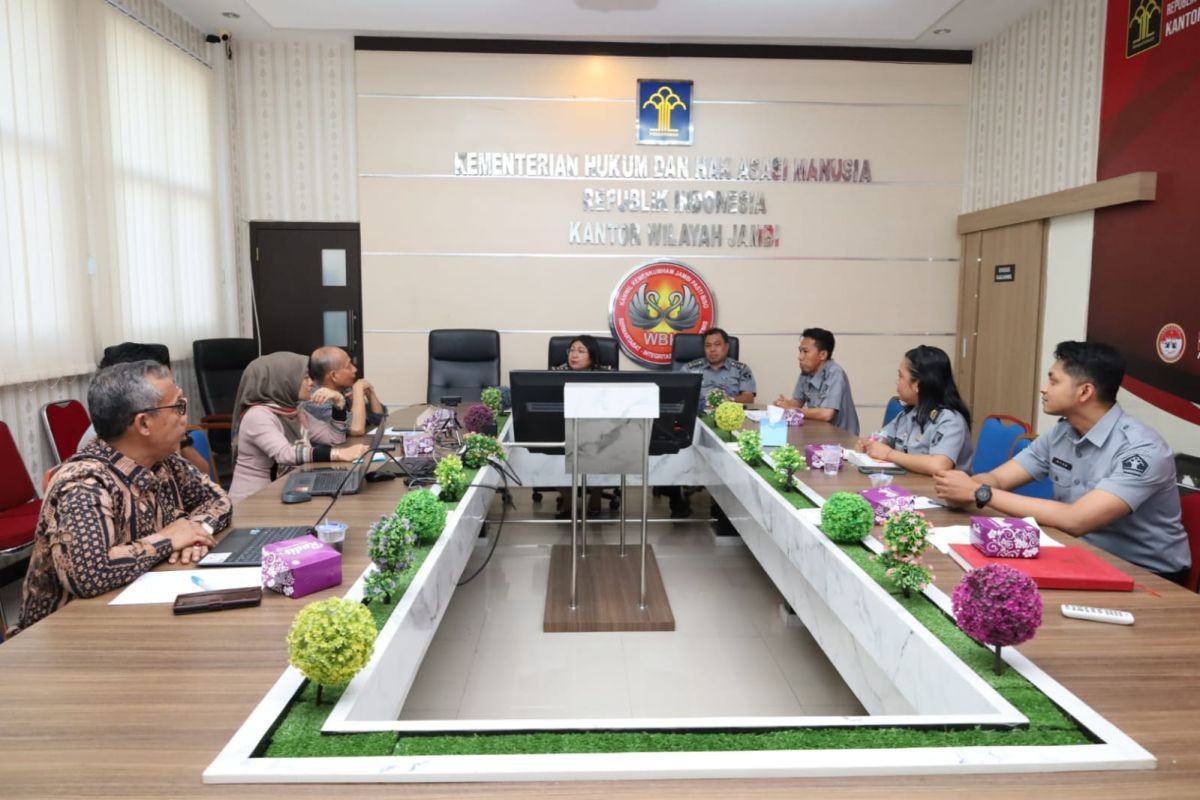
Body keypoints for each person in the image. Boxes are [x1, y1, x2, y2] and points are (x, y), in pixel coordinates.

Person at [933, 341, 1190, 585]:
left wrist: (978, 493)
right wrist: (965, 488)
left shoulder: (1142, 450)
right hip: (1081, 553)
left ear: (1085, 391)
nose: (1044, 388)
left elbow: (1076, 519)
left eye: (1053, 381)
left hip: (1146, 573)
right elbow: (999, 479)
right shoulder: (1062, 433)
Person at [16, 361, 229, 631]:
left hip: (136, 617)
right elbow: (91, 574)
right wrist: (169, 539)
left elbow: (218, 500)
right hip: (69, 640)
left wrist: (195, 530)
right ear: (143, 423)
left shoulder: (164, 462)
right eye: (178, 406)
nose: (184, 416)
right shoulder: (84, 482)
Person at [228, 352, 367, 503]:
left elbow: (335, 439)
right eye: (306, 377)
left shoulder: (295, 412)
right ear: (283, 380)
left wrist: (338, 406)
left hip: (285, 493)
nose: (312, 383)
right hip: (254, 502)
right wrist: (338, 454)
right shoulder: (257, 416)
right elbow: (285, 454)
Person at [74, 342, 211, 475]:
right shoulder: (104, 445)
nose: (184, 415)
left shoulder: (160, 450)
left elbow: (202, 475)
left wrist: (180, 440)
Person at [856, 345, 974, 474]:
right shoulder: (909, 413)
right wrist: (871, 444)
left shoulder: (950, 420)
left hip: (939, 491)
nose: (897, 382)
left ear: (917, 384)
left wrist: (889, 454)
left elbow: (939, 465)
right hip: (910, 486)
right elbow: (884, 437)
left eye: (901, 376)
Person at [551, 335, 610, 517]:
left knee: (606, 446)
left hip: (597, 430)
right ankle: (568, 500)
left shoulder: (606, 377)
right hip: (562, 429)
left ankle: (596, 496)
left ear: (592, 356)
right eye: (572, 350)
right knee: (550, 455)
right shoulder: (555, 374)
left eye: (581, 351)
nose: (574, 355)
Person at [775, 327, 860, 435]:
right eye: (800, 351)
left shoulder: (835, 373)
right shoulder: (806, 372)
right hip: (819, 434)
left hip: (842, 440)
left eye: (805, 352)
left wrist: (792, 409)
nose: (800, 357)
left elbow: (826, 414)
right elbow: (797, 402)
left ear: (823, 355)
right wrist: (784, 404)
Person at [305, 346, 386, 437]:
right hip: (337, 450)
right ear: (334, 375)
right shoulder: (316, 400)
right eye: (348, 366)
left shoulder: (344, 389)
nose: (354, 369)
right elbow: (356, 429)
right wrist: (358, 390)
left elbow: (379, 418)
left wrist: (371, 393)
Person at [682, 328, 755, 403]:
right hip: (698, 412)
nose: (712, 349)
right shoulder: (689, 369)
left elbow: (749, 398)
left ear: (726, 347)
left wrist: (728, 400)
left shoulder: (741, 369)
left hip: (727, 412)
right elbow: (679, 394)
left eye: (717, 344)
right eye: (708, 345)